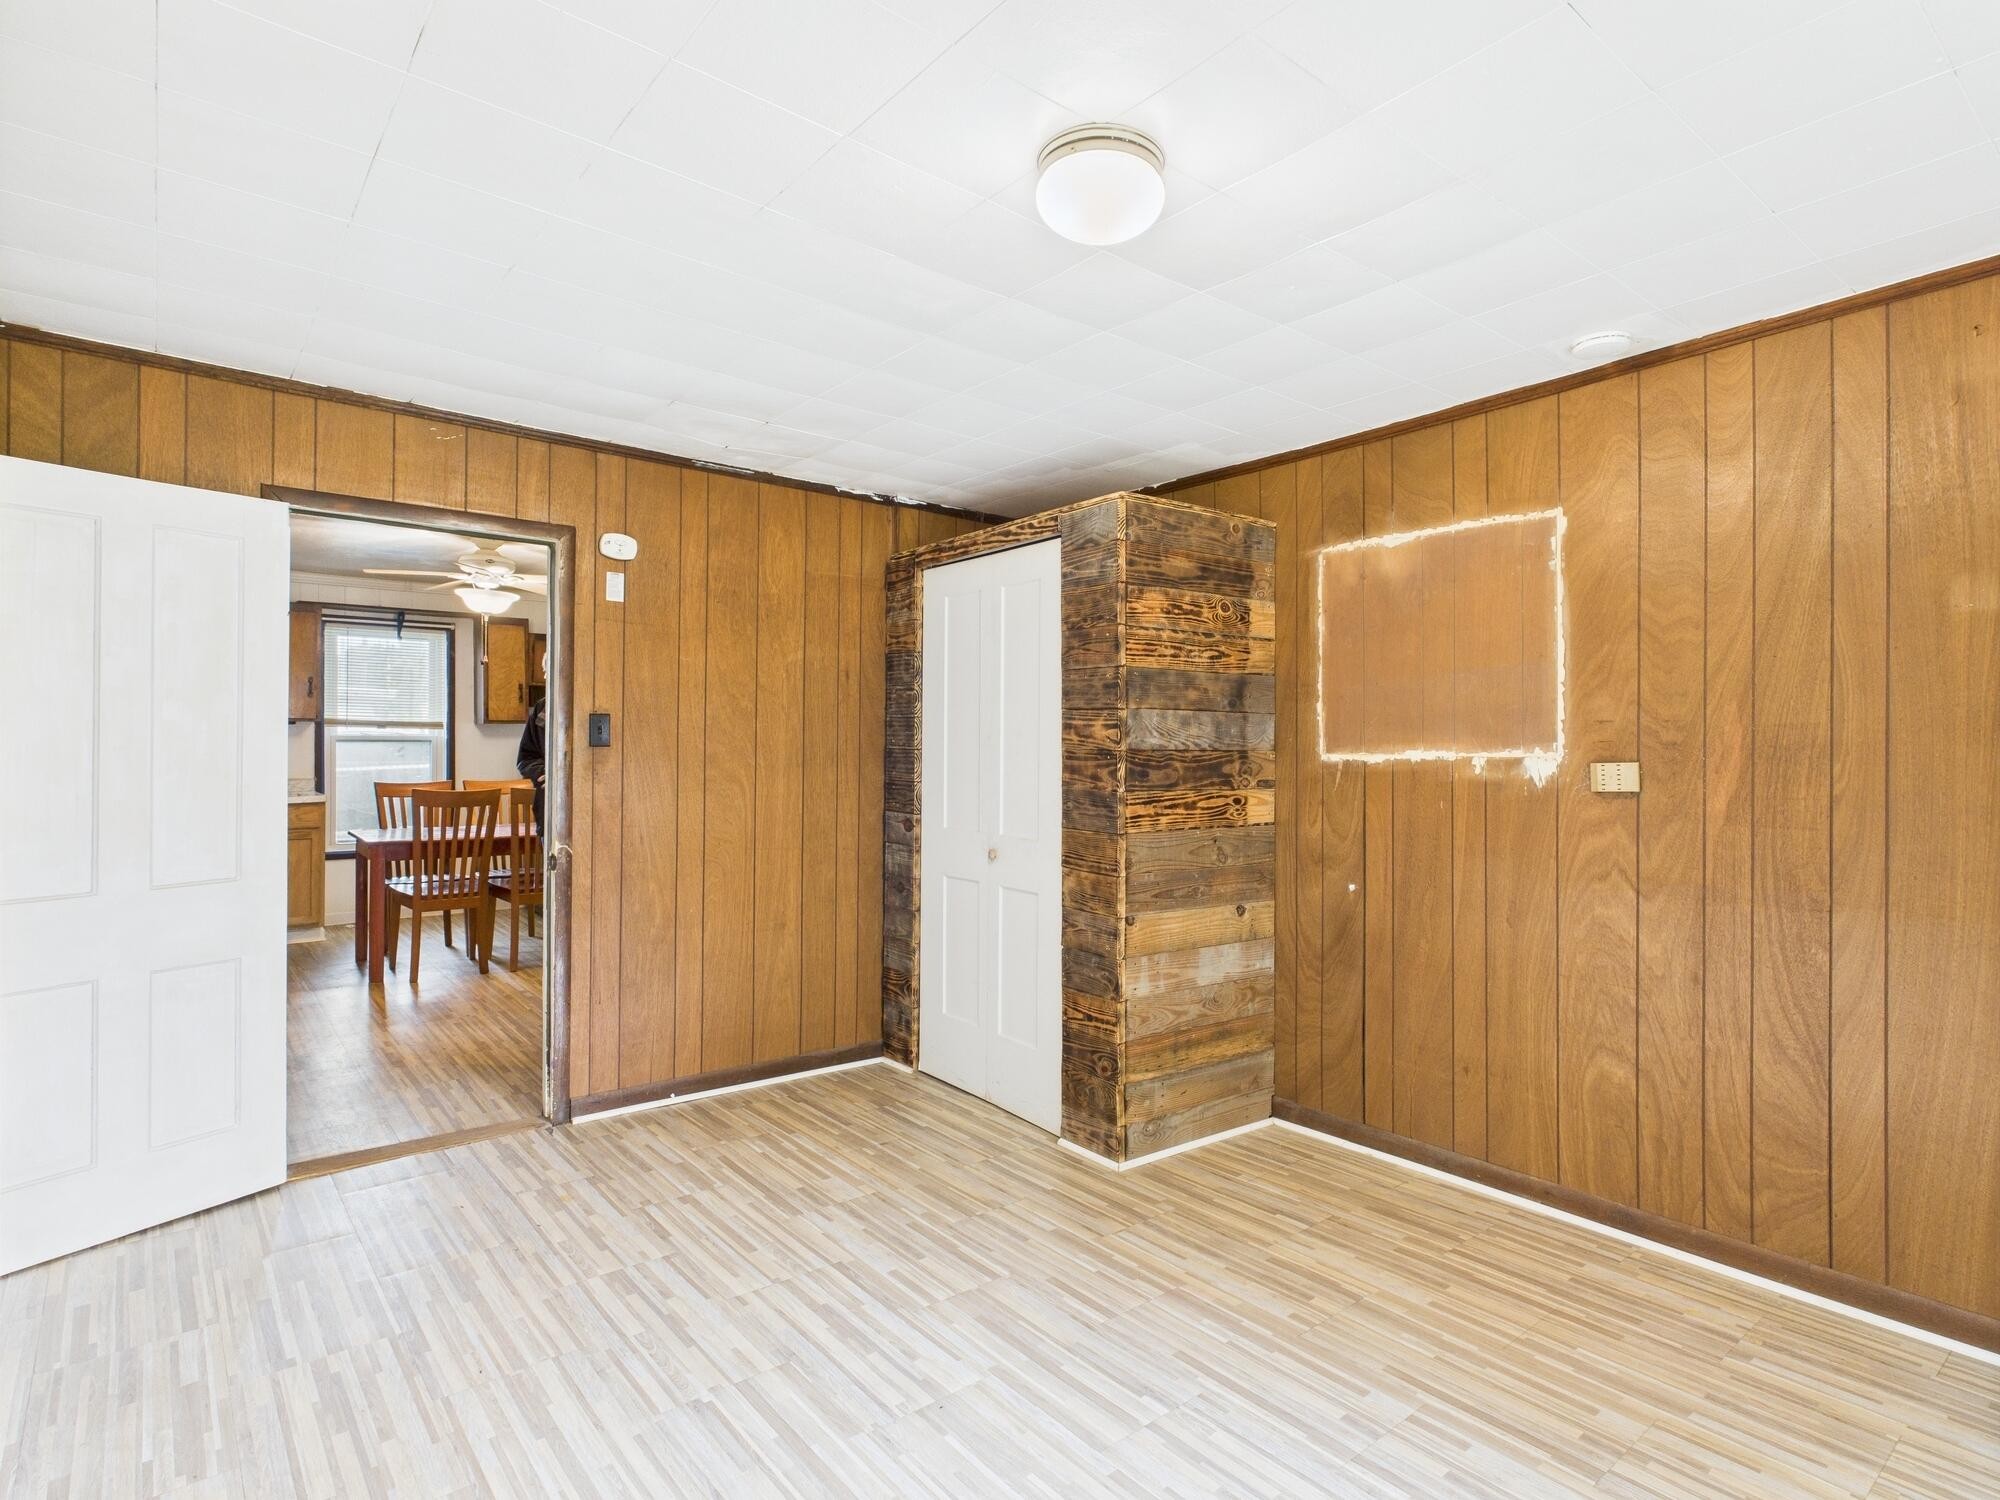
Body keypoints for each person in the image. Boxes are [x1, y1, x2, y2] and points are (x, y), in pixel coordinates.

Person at [516, 652, 547, 829]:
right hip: (547, 806)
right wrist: (544, 773)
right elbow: (525, 758)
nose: (544, 677)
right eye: (543, 671)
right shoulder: (541, 708)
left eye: (547, 670)